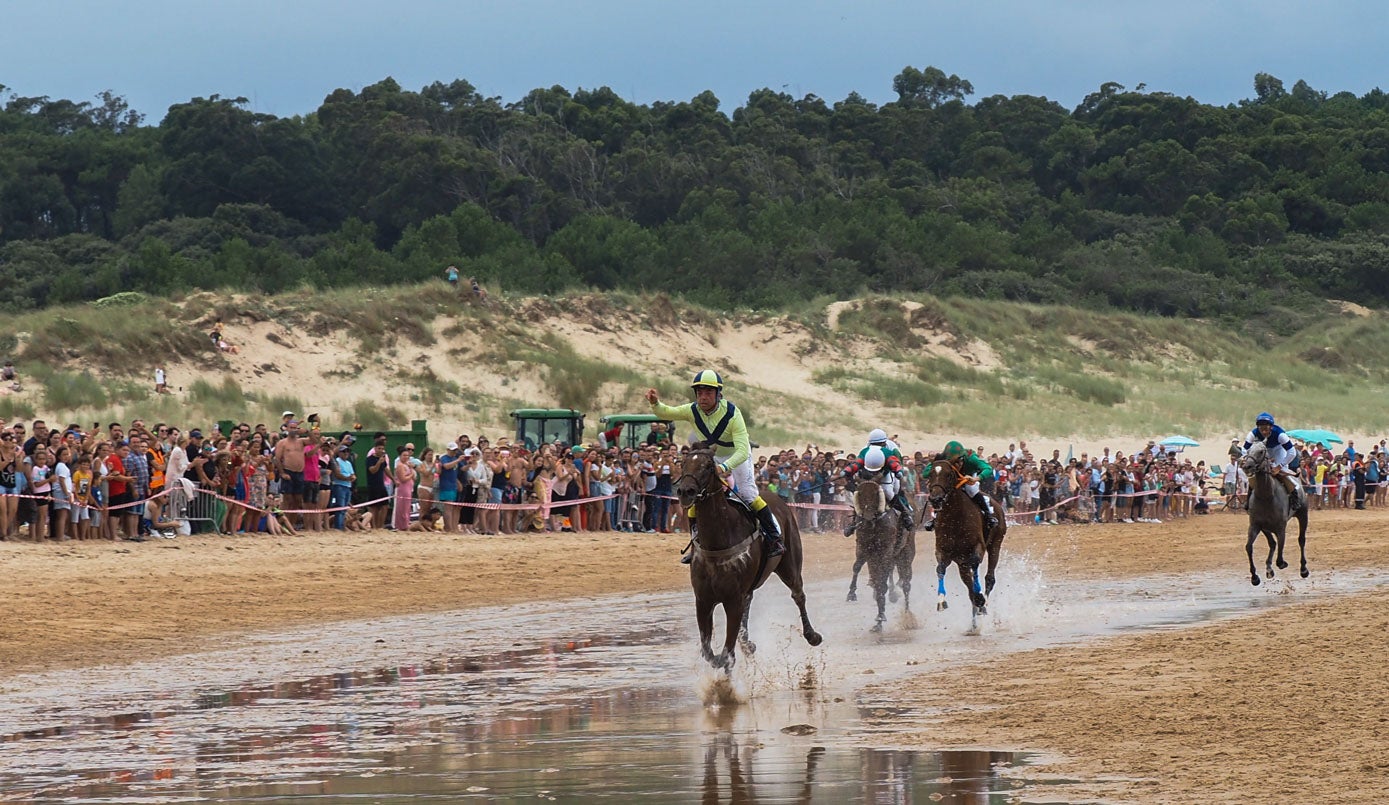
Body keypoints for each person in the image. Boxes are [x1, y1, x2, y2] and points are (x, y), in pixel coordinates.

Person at [646, 369, 784, 564]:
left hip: (738, 456)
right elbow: (666, 412)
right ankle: (696, 544)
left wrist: (724, 467)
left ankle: (774, 538)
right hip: (713, 457)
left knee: (748, 494)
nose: (703, 397)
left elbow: (743, 450)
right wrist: (654, 403)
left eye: (708, 392)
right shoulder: (691, 410)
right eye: (700, 392)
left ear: (719, 394)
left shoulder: (732, 413)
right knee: (697, 496)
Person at [840, 428, 913, 538]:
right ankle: (854, 522)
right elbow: (857, 463)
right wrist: (847, 470)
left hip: (885, 475)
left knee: (888, 491)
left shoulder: (889, 451)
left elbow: (894, 463)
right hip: (868, 476)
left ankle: (905, 514)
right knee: (861, 493)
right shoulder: (865, 451)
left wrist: (898, 471)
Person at [922, 440, 998, 533]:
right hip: (952, 478)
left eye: (958, 461)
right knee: (942, 492)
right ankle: (935, 518)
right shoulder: (943, 457)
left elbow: (988, 468)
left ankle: (988, 515)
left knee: (971, 490)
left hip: (968, 476)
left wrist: (976, 478)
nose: (956, 464)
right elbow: (925, 473)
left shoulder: (971, 458)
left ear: (962, 457)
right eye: (952, 462)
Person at [1240, 412, 1305, 512]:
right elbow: (1244, 450)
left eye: (1266, 429)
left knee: (1281, 472)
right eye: (1261, 429)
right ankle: (1249, 499)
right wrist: (1245, 459)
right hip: (1263, 450)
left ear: (1271, 427)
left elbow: (1292, 452)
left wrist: (1279, 466)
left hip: (1279, 450)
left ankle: (1294, 496)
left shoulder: (1280, 434)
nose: (1264, 432)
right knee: (1256, 472)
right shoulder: (1253, 433)